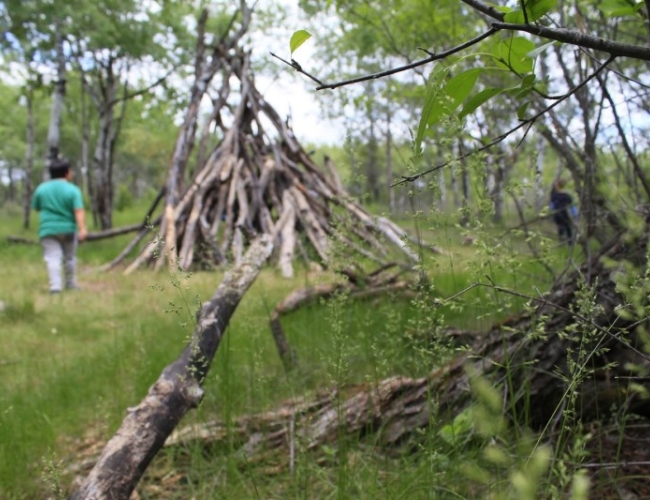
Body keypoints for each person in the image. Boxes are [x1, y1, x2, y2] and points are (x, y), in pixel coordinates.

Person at [31, 158, 88, 293]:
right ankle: (71, 284)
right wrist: (82, 228)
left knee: (52, 258)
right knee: (69, 258)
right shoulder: (73, 190)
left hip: (47, 230)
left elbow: (37, 207)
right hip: (68, 229)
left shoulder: (41, 189)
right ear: (67, 172)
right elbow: (78, 210)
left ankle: (55, 287)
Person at [549, 178, 576, 244]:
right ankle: (569, 243)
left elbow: (551, 205)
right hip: (563, 214)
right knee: (567, 228)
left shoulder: (554, 195)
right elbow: (572, 206)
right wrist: (575, 214)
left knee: (562, 228)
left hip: (557, 214)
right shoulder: (565, 195)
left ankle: (564, 242)